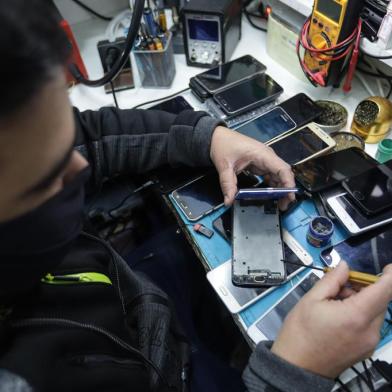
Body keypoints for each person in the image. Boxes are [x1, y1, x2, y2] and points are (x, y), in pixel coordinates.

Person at [1, 1, 392, 391]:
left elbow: (92, 137)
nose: (81, 168)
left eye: (65, 142)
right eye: (46, 176)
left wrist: (210, 138)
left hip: (136, 297)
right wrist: (295, 371)